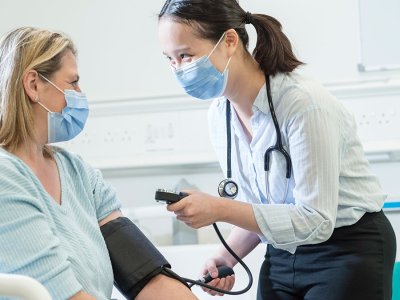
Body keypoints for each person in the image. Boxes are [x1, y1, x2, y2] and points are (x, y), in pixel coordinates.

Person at [157, 1, 397, 299]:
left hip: (346, 247)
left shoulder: (302, 104)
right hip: (283, 251)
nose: (179, 69)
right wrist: (227, 255)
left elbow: (316, 220)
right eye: (170, 59)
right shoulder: (220, 115)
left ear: (230, 41)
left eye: (186, 55)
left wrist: (218, 209)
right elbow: (261, 208)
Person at [0, 27, 198, 300]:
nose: (81, 94)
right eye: (73, 83)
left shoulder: (78, 172)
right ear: (33, 84)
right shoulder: (5, 176)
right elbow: (64, 296)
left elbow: (143, 274)